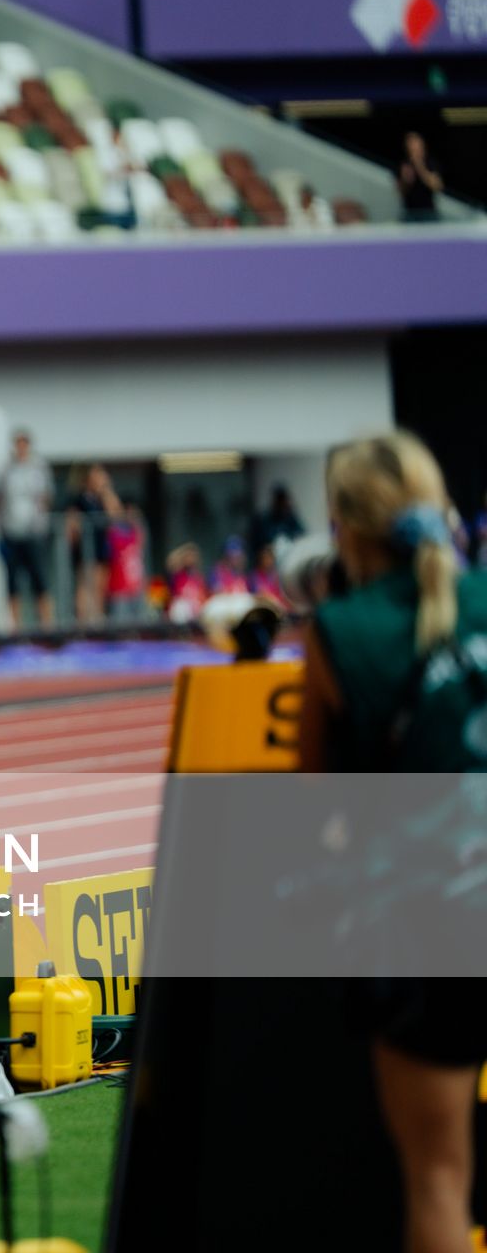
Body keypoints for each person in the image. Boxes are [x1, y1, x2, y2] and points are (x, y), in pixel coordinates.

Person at [298, 432, 487, 1253]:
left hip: (433, 920)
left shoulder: (339, 634)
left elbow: (317, 811)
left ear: (343, 528)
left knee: (440, 1179)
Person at [0, 430, 55, 631]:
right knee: (12, 581)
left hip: (34, 531)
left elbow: (46, 496)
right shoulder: (6, 470)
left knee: (40, 578)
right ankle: (16, 627)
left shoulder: (39, 468)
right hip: (12, 531)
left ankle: (47, 625)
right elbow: (0, 498)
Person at [65, 464, 118, 627]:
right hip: (87, 548)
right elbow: (71, 524)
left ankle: (97, 618)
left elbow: (116, 515)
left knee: (100, 586)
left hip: (102, 546)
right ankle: (82, 620)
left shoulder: (101, 498)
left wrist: (106, 491)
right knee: (86, 584)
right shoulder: (80, 499)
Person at [397, 132, 443, 223]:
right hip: (409, 213)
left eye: (415, 143)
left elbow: (437, 186)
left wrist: (419, 165)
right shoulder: (404, 164)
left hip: (428, 212)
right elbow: (400, 191)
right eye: (410, 144)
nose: (413, 147)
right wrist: (405, 181)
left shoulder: (430, 162)